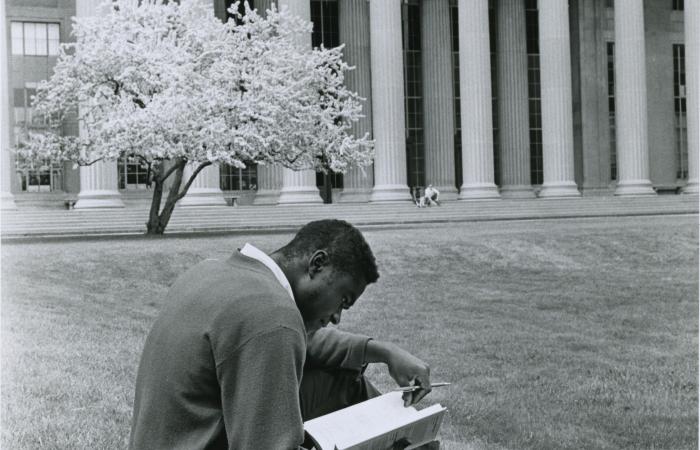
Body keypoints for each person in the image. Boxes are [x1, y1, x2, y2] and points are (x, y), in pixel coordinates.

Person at [129, 219, 432, 450]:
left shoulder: (215, 273)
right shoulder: (274, 317)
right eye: (343, 300)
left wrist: (385, 352)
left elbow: (301, 339)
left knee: (344, 383)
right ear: (317, 264)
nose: (338, 317)